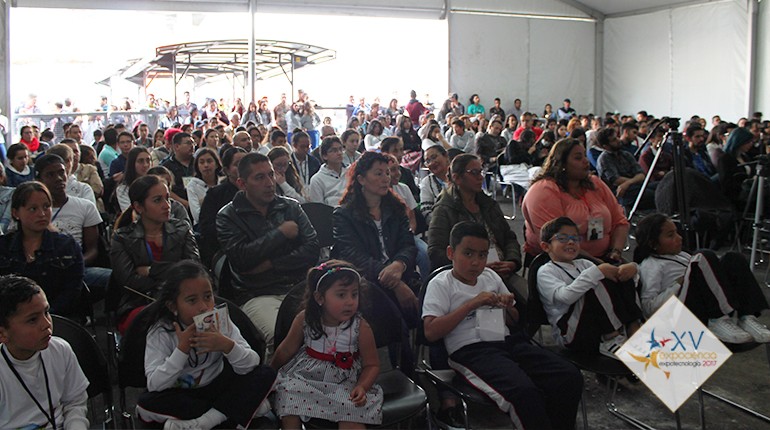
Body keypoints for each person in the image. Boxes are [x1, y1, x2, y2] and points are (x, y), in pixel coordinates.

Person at [422, 221, 582, 429]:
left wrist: (506, 306)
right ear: (451, 253)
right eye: (468, 254)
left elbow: (513, 319)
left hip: (506, 342)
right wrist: (471, 304)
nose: (476, 262)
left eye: (482, 255)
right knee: (523, 392)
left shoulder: (490, 276)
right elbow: (431, 332)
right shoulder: (441, 283)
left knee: (568, 375)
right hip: (471, 352)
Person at [136, 260, 276, 429]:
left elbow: (250, 365)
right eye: (192, 300)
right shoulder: (161, 331)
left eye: (208, 297)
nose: (203, 307)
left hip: (218, 385)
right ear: (173, 306)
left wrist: (227, 345)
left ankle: (204, 423)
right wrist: (182, 350)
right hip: (182, 393)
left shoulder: (219, 320)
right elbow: (155, 384)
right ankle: (237, 410)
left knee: (266, 373)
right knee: (145, 403)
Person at [216, 153, 320, 353]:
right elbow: (242, 260)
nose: (269, 183)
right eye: (259, 177)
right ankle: (274, 373)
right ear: (242, 184)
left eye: (271, 175)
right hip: (257, 293)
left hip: (298, 286)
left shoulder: (290, 207)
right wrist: (280, 233)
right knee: (280, 336)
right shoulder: (228, 216)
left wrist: (272, 263)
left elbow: (312, 248)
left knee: (328, 330)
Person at [271, 261, 383, 429]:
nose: (350, 302)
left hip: (345, 383)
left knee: (352, 413)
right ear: (319, 298)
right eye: (341, 295)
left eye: (354, 294)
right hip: (306, 379)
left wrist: (362, 386)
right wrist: (270, 372)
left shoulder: (360, 326)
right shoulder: (305, 319)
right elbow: (286, 349)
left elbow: (372, 364)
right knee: (288, 394)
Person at [634, 213, 770, 344]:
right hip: (681, 315)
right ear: (653, 244)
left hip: (704, 301)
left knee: (732, 258)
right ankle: (717, 319)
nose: (679, 238)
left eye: (676, 232)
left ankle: (747, 316)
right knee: (702, 257)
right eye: (670, 235)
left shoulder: (681, 255)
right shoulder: (651, 266)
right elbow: (648, 308)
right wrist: (678, 285)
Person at [332, 151, 419, 323]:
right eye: (378, 174)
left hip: (399, 272)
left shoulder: (396, 208)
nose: (386, 178)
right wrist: (394, 282)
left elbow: (408, 244)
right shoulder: (344, 214)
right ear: (361, 179)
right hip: (365, 280)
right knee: (386, 308)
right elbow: (354, 256)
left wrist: (399, 264)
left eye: (387, 173)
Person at [537, 217, 643, 357]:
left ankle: (633, 328)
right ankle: (610, 338)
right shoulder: (546, 272)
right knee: (594, 283)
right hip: (570, 333)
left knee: (621, 277)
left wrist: (632, 269)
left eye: (575, 238)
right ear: (546, 246)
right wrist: (596, 272)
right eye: (562, 238)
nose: (571, 242)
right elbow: (565, 297)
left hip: (595, 325)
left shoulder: (584, 263)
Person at [110, 175, 200, 334]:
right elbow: (128, 281)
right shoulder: (122, 237)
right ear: (139, 207)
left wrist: (150, 270)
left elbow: (194, 269)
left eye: (167, 198)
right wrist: (174, 275)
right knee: (151, 324)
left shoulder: (182, 229)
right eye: (158, 200)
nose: (167, 205)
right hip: (140, 302)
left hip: (182, 298)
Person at [0, 275, 89, 430]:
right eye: (32, 320)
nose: (47, 324)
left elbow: (75, 403)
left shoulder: (60, 350)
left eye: (46, 312)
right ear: (2, 334)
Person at [428, 154, 525, 293]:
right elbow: (436, 251)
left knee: (529, 299)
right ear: (457, 178)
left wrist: (512, 261)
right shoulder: (444, 209)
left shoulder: (488, 204)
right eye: (474, 173)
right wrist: (475, 266)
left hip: (501, 270)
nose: (481, 177)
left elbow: (509, 237)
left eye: (481, 172)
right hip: (465, 277)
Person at [522, 139, 630, 262]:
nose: (586, 161)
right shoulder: (543, 190)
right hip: (558, 262)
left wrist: (615, 252)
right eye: (578, 158)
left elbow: (619, 221)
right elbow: (554, 241)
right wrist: (599, 265)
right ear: (562, 164)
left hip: (604, 257)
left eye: (585, 155)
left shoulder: (595, 183)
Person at [0, 182, 84, 318]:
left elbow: (72, 291)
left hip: (57, 319)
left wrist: (42, 316)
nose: (42, 214)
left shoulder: (66, 246)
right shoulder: (4, 246)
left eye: (46, 206)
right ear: (16, 213)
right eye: (33, 209)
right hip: (10, 320)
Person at [198, 147, 247, 267]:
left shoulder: (259, 189)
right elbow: (206, 228)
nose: (244, 167)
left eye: (246, 163)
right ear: (226, 170)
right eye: (237, 164)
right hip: (225, 251)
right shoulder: (216, 194)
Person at [596, 127, 656, 209]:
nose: (618, 140)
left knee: (662, 186)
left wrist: (628, 183)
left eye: (617, 137)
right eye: (614, 140)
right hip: (621, 194)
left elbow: (641, 175)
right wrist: (634, 181)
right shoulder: (604, 159)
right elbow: (616, 180)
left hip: (636, 186)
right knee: (655, 194)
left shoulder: (626, 154)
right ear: (605, 146)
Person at [186, 147, 223, 226]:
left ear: (216, 164)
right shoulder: (192, 186)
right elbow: (197, 216)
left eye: (209, 161)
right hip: (202, 226)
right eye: (202, 162)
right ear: (197, 166)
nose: (206, 165)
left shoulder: (224, 182)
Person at [308, 136, 347, 206]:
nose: (339, 153)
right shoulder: (317, 180)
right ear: (324, 156)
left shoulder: (351, 172)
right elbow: (318, 208)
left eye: (340, 149)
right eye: (334, 150)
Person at [160, 132, 196, 204]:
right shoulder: (167, 166)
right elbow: (166, 189)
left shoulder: (198, 162)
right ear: (177, 146)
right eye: (188, 143)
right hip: (178, 203)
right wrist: (185, 203)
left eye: (193, 143)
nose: (192, 146)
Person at [116, 147, 152, 212]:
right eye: (140, 161)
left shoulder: (155, 184)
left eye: (148, 160)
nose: (145, 165)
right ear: (132, 164)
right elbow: (129, 212)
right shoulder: (123, 189)